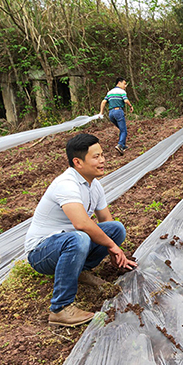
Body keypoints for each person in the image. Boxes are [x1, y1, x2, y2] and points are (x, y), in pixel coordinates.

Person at [25, 133, 138, 327]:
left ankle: (79, 271)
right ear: (77, 162)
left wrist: (114, 249)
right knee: (79, 238)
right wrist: (112, 247)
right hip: (42, 252)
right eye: (96, 157)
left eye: (102, 155)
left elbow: (106, 221)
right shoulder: (66, 184)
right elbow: (82, 224)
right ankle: (60, 308)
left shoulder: (94, 186)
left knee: (116, 229)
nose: (102, 160)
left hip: (67, 243)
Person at [99, 77, 134, 155]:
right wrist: (131, 106)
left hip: (111, 113)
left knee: (122, 130)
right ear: (119, 83)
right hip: (118, 112)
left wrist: (101, 112)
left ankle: (123, 145)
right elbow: (125, 100)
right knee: (124, 130)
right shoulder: (121, 91)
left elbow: (103, 102)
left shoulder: (109, 92)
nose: (125, 86)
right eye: (124, 84)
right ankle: (120, 145)